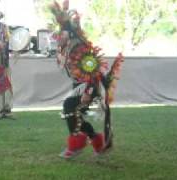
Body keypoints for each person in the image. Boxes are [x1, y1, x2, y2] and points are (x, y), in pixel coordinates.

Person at [49, 0, 124, 159]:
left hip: (89, 85)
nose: (57, 36)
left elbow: (93, 70)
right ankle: (98, 143)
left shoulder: (79, 48)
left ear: (68, 33)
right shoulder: (68, 47)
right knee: (75, 113)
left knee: (69, 107)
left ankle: (76, 145)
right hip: (80, 85)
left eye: (60, 33)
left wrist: (89, 92)